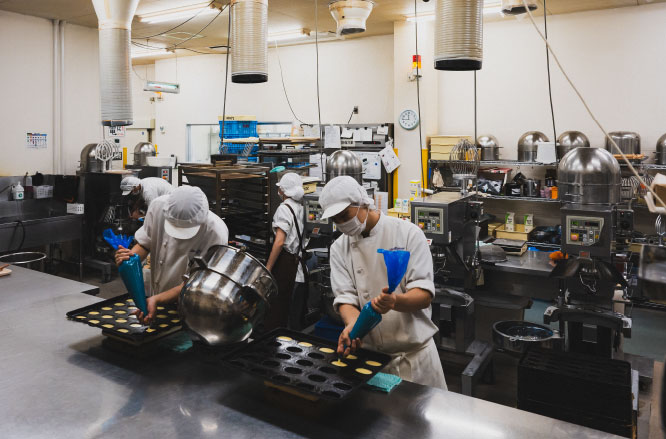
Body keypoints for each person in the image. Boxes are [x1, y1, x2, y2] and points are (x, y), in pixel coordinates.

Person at [319, 176, 447, 390]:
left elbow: (423, 295)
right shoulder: (339, 248)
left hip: (415, 360)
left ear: (362, 202)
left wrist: (395, 302)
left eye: (345, 215)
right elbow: (345, 298)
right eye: (336, 220)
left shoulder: (407, 233)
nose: (342, 224)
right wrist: (353, 326)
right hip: (372, 362)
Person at [114, 185, 228, 323]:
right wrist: (128, 258)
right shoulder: (157, 207)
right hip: (156, 296)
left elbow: (198, 283)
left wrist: (158, 299)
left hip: (192, 305)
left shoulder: (215, 233)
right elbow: (145, 243)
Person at [264, 172, 306, 330]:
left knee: (279, 313)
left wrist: (268, 268)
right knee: (293, 315)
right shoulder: (301, 207)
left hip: (286, 267)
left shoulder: (284, 209)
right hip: (299, 267)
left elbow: (280, 242)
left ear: (283, 190)